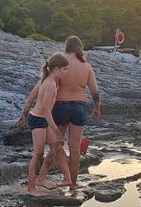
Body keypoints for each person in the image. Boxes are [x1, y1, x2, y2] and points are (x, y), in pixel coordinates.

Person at [18, 36, 101, 189]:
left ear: (66, 47)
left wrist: (25, 111)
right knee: (75, 148)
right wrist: (97, 107)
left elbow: (40, 86)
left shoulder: (62, 63)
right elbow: (95, 91)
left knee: (56, 145)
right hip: (80, 107)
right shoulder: (87, 67)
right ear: (80, 48)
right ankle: (73, 183)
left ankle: (42, 177)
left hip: (60, 107)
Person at [25, 52, 73, 197]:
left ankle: (41, 179)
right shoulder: (50, 84)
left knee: (56, 147)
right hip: (38, 120)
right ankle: (31, 188)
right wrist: (57, 131)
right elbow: (46, 110)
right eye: (65, 69)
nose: (67, 72)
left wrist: (23, 114)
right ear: (56, 69)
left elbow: (33, 97)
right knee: (38, 154)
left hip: (43, 119)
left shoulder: (49, 80)